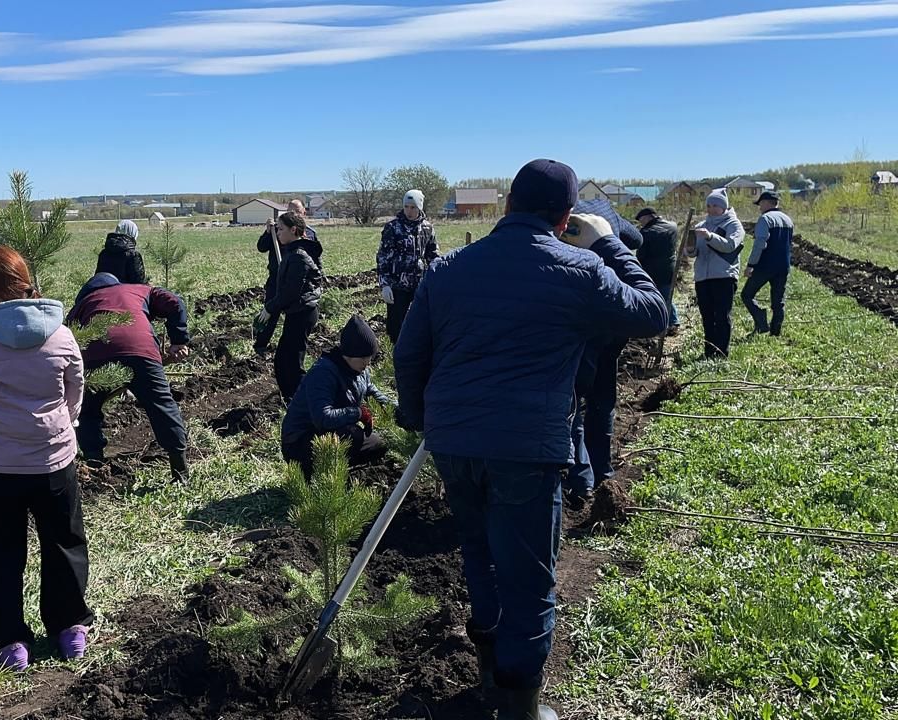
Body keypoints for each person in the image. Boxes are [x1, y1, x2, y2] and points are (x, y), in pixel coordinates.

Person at [392, 159, 668, 720]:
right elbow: (656, 312)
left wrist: (421, 418)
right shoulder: (579, 271)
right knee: (531, 578)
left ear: (509, 204)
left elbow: (409, 352)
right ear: (566, 217)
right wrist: (612, 244)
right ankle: (520, 703)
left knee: (479, 552)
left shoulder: (448, 269)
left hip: (456, 441)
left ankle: (493, 669)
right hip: (526, 447)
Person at [0, 245, 92, 670]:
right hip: (53, 460)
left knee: (0, 551)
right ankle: (70, 627)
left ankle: (12, 642)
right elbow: (75, 390)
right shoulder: (62, 334)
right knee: (64, 542)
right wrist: (58, 425)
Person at [69, 272, 192, 482]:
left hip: (96, 355)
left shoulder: (82, 305)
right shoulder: (140, 289)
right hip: (141, 351)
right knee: (161, 404)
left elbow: (69, 339)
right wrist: (179, 340)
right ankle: (179, 470)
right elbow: (175, 301)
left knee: (87, 412)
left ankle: (94, 464)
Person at [564, 197, 644, 507]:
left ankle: (581, 478)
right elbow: (637, 238)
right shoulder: (607, 214)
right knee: (602, 398)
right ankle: (602, 472)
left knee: (573, 401)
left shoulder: (569, 220)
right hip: (613, 323)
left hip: (581, 325)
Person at [280, 315, 392, 478]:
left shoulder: (360, 371)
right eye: (363, 358)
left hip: (334, 433)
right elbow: (323, 417)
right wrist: (358, 413)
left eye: (370, 358)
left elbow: (373, 393)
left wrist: (401, 410)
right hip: (300, 442)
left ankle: (336, 474)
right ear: (349, 354)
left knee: (379, 444)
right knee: (351, 435)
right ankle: (316, 475)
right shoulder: (323, 373)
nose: (367, 363)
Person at [254, 212, 323, 402]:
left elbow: (290, 292)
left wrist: (269, 308)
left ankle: (302, 399)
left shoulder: (299, 256)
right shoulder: (294, 251)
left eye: (281, 229)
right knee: (284, 360)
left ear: (294, 230)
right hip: (298, 311)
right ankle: (291, 397)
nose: (278, 233)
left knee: (291, 362)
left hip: (303, 312)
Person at [376, 189, 439, 344]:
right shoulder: (392, 227)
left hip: (419, 284)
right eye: (406, 207)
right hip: (397, 285)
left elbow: (433, 256)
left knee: (420, 323)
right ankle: (395, 355)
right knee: (395, 326)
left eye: (413, 207)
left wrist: (436, 280)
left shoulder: (427, 228)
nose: (409, 211)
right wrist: (385, 284)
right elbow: (383, 257)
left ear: (420, 208)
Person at [255, 200, 317, 355]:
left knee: (292, 319)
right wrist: (268, 232)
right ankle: (260, 345)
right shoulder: (278, 230)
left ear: (303, 212)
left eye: (297, 211)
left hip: (296, 282)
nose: (293, 214)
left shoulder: (310, 234)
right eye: (290, 211)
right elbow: (261, 247)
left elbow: (315, 261)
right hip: (276, 279)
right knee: (270, 313)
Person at [688, 189, 744, 359]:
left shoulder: (733, 225)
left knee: (721, 316)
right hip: (702, 277)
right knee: (707, 316)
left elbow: (729, 246)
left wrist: (710, 236)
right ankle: (708, 351)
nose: (711, 209)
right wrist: (690, 250)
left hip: (724, 276)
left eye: (715, 205)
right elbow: (694, 253)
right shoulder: (700, 226)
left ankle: (721, 353)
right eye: (708, 205)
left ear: (723, 207)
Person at [741, 191, 794, 336]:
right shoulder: (788, 220)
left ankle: (761, 322)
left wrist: (751, 265)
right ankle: (776, 332)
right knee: (778, 302)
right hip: (783, 266)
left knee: (747, 295)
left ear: (766, 202)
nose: (759, 207)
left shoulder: (765, 219)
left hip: (765, 266)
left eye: (760, 204)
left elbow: (760, 243)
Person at [635, 207, 680, 332]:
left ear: (649, 217)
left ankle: (661, 324)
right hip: (670, 267)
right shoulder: (672, 226)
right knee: (667, 296)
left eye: (642, 220)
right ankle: (673, 322)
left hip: (652, 271)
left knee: (655, 298)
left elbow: (641, 255)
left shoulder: (646, 233)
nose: (641, 223)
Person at [95, 219, 147, 285]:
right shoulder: (133, 255)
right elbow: (139, 284)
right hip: (125, 293)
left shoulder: (103, 253)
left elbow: (98, 278)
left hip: (102, 291)